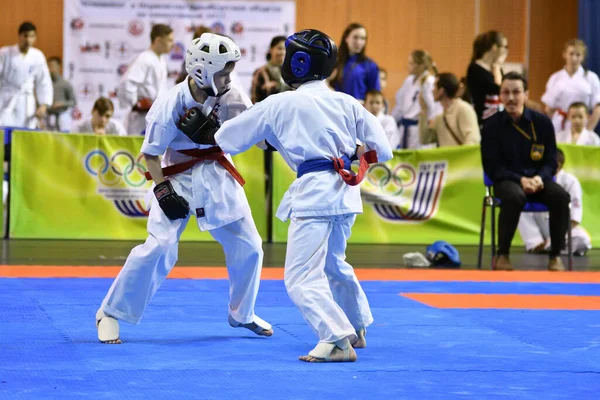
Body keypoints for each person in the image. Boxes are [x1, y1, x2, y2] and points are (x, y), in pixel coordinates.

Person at [183, 29, 393, 362]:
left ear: (298, 63)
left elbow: (227, 139)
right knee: (334, 264)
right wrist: (351, 152)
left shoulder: (280, 103)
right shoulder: (345, 101)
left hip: (315, 196)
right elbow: (383, 147)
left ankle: (337, 339)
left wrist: (204, 126)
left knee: (299, 277)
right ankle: (357, 325)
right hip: (345, 194)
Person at [96, 33, 272, 344]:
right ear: (202, 70)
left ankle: (241, 313)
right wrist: (163, 192)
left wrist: (270, 137)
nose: (230, 77)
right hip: (175, 176)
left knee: (250, 246)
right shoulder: (171, 103)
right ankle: (109, 313)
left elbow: (252, 134)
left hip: (217, 174)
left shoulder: (232, 95)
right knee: (159, 246)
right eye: (224, 72)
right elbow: (150, 154)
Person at [481, 72, 570, 272]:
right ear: (500, 96)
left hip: (539, 180)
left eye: (516, 92)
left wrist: (539, 178)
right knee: (515, 197)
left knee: (561, 196)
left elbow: (551, 160)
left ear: (526, 94)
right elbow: (492, 166)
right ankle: (502, 254)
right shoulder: (491, 126)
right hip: (507, 180)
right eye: (506, 92)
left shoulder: (542, 123)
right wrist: (520, 180)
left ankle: (555, 255)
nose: (511, 98)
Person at [518, 149, 591, 256]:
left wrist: (558, 236)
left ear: (557, 165)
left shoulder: (570, 181)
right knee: (518, 204)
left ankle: (549, 245)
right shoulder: (533, 179)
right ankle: (537, 244)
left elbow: (575, 217)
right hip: (538, 226)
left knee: (583, 240)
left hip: (562, 229)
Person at [118, 24, 174, 136]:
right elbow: (127, 82)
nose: (172, 45)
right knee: (138, 148)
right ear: (158, 40)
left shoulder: (161, 60)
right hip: (142, 116)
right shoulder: (145, 59)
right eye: (169, 40)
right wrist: (135, 103)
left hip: (156, 114)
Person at [0, 21, 53, 129]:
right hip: (6, 99)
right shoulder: (5, 53)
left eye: (32, 36)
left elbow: (43, 82)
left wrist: (43, 104)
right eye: (25, 36)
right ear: (19, 36)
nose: (28, 40)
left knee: (25, 131)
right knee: (4, 129)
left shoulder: (38, 56)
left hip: (26, 101)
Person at [542, 39, 600, 135]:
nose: (574, 58)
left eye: (578, 55)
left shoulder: (591, 78)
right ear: (564, 54)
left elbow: (598, 108)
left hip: (582, 124)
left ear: (583, 57)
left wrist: (588, 131)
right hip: (560, 125)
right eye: (571, 54)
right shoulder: (555, 78)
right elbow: (548, 108)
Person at [391, 49, 441, 149]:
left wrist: (429, 127)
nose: (408, 66)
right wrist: (393, 120)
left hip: (418, 127)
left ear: (421, 65)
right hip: (405, 127)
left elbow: (433, 108)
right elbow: (400, 104)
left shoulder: (429, 81)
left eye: (411, 63)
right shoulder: (409, 80)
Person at [419, 72, 480, 147]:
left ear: (441, 91)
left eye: (434, 86)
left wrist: (461, 157)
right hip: (448, 158)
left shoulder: (463, 109)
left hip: (460, 158)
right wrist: (424, 110)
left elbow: (472, 140)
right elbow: (425, 139)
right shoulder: (440, 118)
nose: (432, 90)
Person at [329, 23, 380, 102]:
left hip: (358, 109)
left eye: (363, 38)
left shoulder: (370, 65)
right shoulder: (334, 61)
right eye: (355, 37)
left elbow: (375, 95)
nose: (359, 42)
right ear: (347, 38)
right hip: (336, 106)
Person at [466, 31, 507, 125]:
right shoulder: (475, 68)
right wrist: (497, 67)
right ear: (494, 48)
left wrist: (497, 67)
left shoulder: (496, 68)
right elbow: (498, 89)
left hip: (499, 116)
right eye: (504, 47)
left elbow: (504, 88)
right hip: (483, 119)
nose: (505, 51)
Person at [250, 36, 290, 103]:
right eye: (279, 48)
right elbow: (254, 99)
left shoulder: (291, 72)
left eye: (285, 49)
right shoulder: (260, 72)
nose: (282, 52)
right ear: (271, 50)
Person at [46, 56, 77, 132]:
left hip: (62, 117)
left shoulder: (65, 84)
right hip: (48, 117)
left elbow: (73, 102)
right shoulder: (46, 84)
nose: (50, 69)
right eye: (48, 66)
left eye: (52, 66)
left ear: (58, 67)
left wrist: (61, 104)